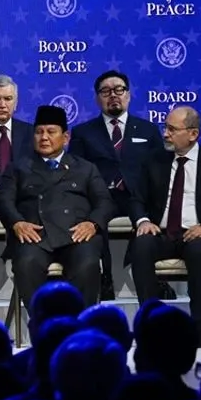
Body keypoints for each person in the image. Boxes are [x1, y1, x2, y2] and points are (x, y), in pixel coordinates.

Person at [128, 106, 201, 347]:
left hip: (199, 234)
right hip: (162, 233)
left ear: (193, 134)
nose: (165, 134)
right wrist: (143, 221)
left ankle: (197, 327)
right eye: (165, 128)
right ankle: (150, 324)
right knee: (141, 245)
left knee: (199, 249)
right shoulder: (153, 160)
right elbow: (136, 199)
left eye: (172, 129)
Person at [0, 105, 115, 307]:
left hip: (76, 236)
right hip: (35, 237)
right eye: (39, 132)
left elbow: (105, 201)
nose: (44, 137)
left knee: (87, 264)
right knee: (26, 263)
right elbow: (3, 200)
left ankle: (80, 322)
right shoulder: (18, 168)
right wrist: (17, 223)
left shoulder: (85, 168)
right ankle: (42, 321)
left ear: (65, 138)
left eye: (51, 132)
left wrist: (92, 223)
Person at [68, 70, 165, 300]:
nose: (113, 95)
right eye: (105, 91)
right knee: (95, 218)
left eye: (119, 90)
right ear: (97, 98)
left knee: (149, 221)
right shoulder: (83, 132)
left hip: (139, 197)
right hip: (101, 197)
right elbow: (76, 172)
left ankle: (156, 281)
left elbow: (160, 170)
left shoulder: (148, 129)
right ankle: (105, 280)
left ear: (128, 95)